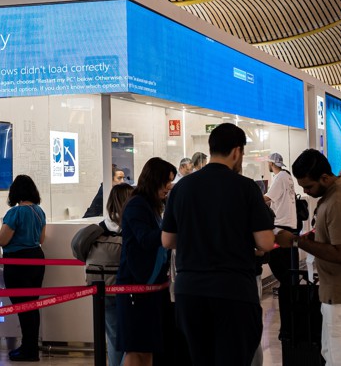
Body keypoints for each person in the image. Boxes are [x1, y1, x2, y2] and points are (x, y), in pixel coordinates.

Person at [162, 123, 276, 365]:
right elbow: (265, 241)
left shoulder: (182, 188)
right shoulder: (246, 187)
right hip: (232, 291)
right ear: (237, 152)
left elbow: (168, 240)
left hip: (189, 291)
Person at [276, 149, 341, 365]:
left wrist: (297, 241)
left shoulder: (338, 202)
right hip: (339, 291)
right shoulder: (339, 192)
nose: (306, 191)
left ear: (324, 177)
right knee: (334, 354)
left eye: (309, 186)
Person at [116, 157, 176, 366]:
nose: (169, 186)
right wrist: (170, 233)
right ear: (154, 180)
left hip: (152, 289)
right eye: (166, 180)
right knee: (135, 350)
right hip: (135, 289)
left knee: (148, 349)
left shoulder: (152, 206)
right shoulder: (137, 205)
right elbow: (145, 238)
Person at [0, 175, 47, 362]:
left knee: (22, 306)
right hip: (36, 258)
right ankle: (30, 346)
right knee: (32, 305)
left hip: (17, 262)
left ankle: (28, 350)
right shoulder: (39, 211)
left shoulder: (15, 213)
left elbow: (2, 239)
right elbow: (41, 239)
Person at [95, 183, 134, 366]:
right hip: (128, 288)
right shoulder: (131, 224)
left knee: (112, 335)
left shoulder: (101, 226)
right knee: (132, 338)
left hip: (103, 286)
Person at [264, 152, 298, 287]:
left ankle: (287, 287)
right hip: (289, 223)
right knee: (286, 263)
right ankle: (289, 287)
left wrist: (251, 200)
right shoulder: (287, 176)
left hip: (281, 224)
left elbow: (267, 197)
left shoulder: (280, 178)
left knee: (276, 259)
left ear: (271, 164)